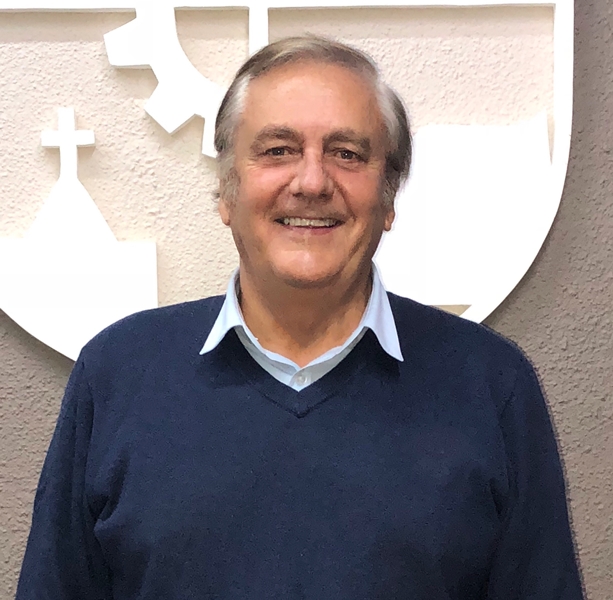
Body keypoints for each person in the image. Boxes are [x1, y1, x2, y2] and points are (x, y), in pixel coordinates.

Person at [16, 36, 584, 599]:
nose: (312, 182)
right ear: (227, 192)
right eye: (277, 150)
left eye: (347, 154)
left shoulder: (491, 384)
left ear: (388, 198)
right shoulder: (116, 375)